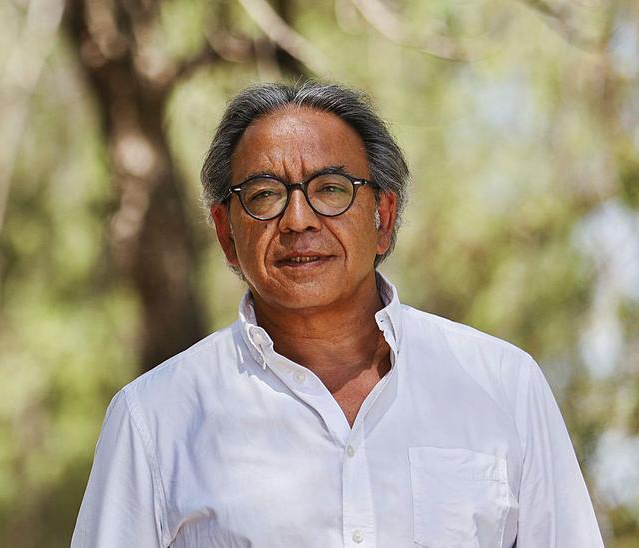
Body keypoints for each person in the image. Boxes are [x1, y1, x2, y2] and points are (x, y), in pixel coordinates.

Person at [70, 81, 603, 547]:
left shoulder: (503, 386)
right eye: (264, 195)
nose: (298, 219)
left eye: (330, 189)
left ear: (384, 217)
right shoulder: (155, 417)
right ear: (227, 233)